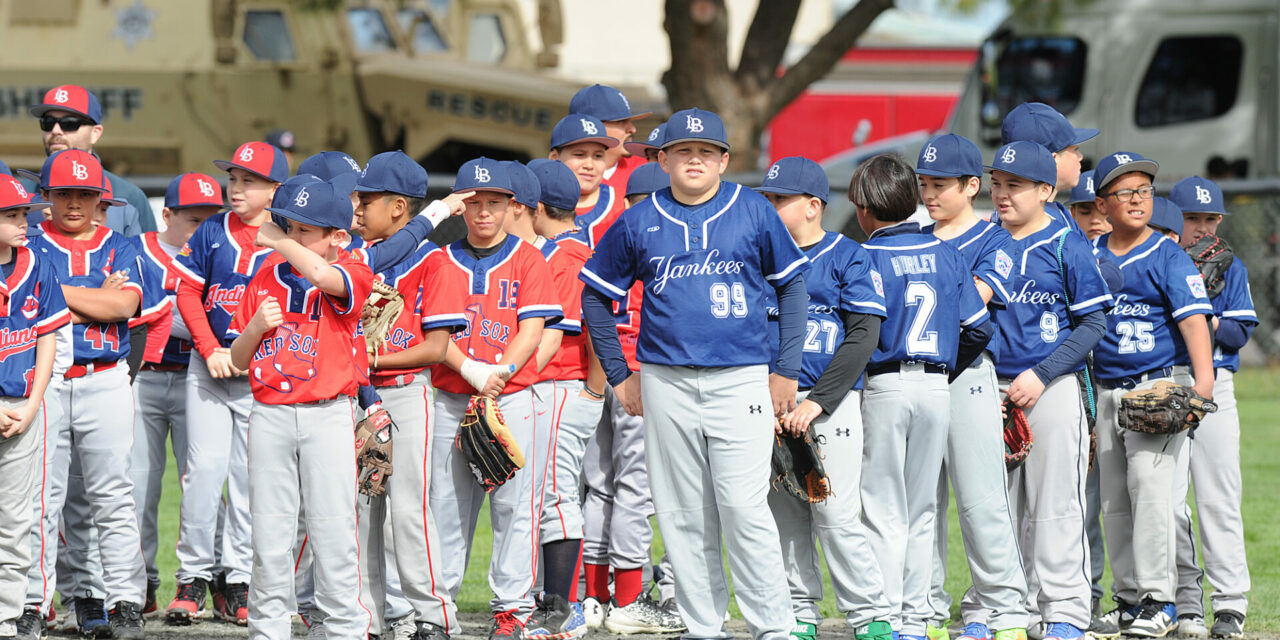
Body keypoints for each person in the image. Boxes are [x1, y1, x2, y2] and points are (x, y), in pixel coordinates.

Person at [579, 108, 807, 640]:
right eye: (683, 151)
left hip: (742, 375)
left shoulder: (752, 210)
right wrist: (619, 373)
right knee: (683, 513)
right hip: (665, 378)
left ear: (725, 159)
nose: (695, 159)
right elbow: (595, 296)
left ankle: (773, 627)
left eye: (706, 151)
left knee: (744, 508)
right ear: (663, 158)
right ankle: (705, 628)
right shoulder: (639, 220)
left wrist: (786, 369)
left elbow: (793, 288)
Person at [849, 153, 992, 640]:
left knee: (883, 506)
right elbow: (978, 328)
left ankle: (885, 616)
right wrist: (945, 369)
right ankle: (915, 619)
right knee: (923, 507)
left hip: (885, 383)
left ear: (865, 209)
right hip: (936, 385)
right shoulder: (948, 254)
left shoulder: (863, 256)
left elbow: (858, 334)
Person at [226, 173, 374, 640]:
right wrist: (253, 328)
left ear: (338, 236)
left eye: (306, 229)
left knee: (334, 533)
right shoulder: (264, 276)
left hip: (328, 414)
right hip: (269, 413)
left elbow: (319, 274)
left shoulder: (353, 268)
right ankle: (268, 631)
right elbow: (236, 358)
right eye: (289, 226)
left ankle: (344, 630)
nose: (293, 236)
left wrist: (275, 239)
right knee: (269, 537)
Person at [25, 149, 165, 640]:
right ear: (45, 197)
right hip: (45, 380)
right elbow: (28, 305)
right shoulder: (31, 244)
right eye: (64, 192)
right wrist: (92, 298)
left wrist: (55, 294)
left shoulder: (119, 244)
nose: (75, 202)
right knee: (43, 499)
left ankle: (125, 600)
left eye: (85, 193)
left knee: (113, 495)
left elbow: (123, 305)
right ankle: (35, 603)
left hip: (105, 376)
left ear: (99, 196)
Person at [426, 157, 562, 639]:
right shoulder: (441, 260)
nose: (484, 211)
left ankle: (512, 609)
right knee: (446, 506)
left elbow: (534, 329)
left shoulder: (529, 258)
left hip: (513, 397)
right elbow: (438, 333)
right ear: (460, 206)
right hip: (450, 397)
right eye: (475, 202)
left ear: (510, 207)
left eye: (495, 203)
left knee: (515, 506)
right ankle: (438, 610)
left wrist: (499, 373)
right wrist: (472, 370)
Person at [757, 156, 893, 640]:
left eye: (781, 200)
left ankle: (871, 612)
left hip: (827, 401)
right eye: (767, 198)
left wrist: (819, 402)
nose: (770, 207)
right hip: (769, 404)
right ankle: (798, 611)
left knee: (834, 510)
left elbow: (863, 336)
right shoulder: (759, 259)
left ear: (814, 206)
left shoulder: (846, 254)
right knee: (786, 514)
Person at [987, 141, 1112, 640]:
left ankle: (1064, 612)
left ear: (1044, 191)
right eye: (996, 184)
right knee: (994, 506)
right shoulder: (982, 240)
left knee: (1057, 503)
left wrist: (1042, 373)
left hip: (1050, 383)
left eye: (1014, 186)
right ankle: (1004, 610)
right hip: (988, 388)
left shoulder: (1066, 244)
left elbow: (1093, 323)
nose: (1002, 194)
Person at [1090, 152, 1215, 639]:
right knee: (1116, 502)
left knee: (1152, 493)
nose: (1138, 199)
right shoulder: (1092, 252)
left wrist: (1200, 385)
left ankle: (1159, 600)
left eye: (1145, 190)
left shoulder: (1167, 253)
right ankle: (1127, 600)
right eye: (1124, 191)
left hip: (1156, 386)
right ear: (1102, 203)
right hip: (1106, 390)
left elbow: (1193, 321)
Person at [168, 141, 289, 625]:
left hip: (261, 374)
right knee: (203, 471)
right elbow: (188, 292)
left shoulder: (287, 237)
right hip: (211, 369)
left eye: (249, 181)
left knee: (246, 479)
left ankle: (238, 579)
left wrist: (255, 358)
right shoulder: (213, 229)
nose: (236, 188)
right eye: (234, 178)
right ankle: (193, 577)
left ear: (275, 189)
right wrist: (209, 349)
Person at [349, 151, 468, 640]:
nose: (356, 206)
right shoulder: (351, 257)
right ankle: (369, 620)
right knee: (360, 513)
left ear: (399, 207)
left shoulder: (433, 260)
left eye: (368, 198)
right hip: (354, 399)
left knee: (408, 512)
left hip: (404, 396)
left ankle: (435, 617)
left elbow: (437, 348)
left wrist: (369, 361)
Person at [914, 134, 1029, 640]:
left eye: (941, 185)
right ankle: (922, 609)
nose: (929, 195)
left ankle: (1004, 611)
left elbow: (971, 306)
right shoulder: (912, 234)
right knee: (918, 500)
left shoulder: (994, 239)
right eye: (922, 184)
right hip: (914, 376)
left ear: (971, 186)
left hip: (968, 374)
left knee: (982, 499)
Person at [577, 160, 684, 631]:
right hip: (638, 377)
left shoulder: (608, 243)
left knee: (599, 485)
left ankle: (594, 596)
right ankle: (630, 599)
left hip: (598, 372)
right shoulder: (667, 250)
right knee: (636, 489)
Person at [128, 173, 224, 617]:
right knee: (137, 485)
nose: (204, 227)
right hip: (143, 378)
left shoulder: (218, 253)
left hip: (197, 375)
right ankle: (140, 582)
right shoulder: (140, 251)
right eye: (193, 219)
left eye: (211, 218)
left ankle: (217, 577)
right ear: (166, 215)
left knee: (205, 480)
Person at [1168, 177, 1254, 640]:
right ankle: (1185, 604)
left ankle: (1230, 605)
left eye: (1210, 219)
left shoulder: (1232, 266)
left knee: (1218, 497)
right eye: (1191, 218)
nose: (1201, 228)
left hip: (1216, 385)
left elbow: (1239, 334)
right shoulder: (1158, 260)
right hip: (1166, 385)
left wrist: (1201, 310)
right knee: (1168, 501)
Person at [0, 174, 68, 640]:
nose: (25, 222)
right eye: (11, 215)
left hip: (23, 407)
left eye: (24, 213)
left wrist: (34, 402)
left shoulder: (37, 264)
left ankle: (5, 616)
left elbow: (47, 338)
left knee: (15, 520)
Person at [27, 85, 154, 233]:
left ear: (95, 133)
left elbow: (146, 253)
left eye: (69, 123)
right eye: (48, 122)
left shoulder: (128, 195)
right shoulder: (19, 191)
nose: (56, 130)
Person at [547, 114, 623, 248]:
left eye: (598, 156)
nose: (589, 165)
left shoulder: (622, 205)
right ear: (554, 158)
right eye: (579, 155)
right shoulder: (537, 204)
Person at [568, 84, 650, 196]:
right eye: (621, 122)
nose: (633, 129)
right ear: (591, 126)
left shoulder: (646, 170)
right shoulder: (561, 175)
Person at [1067, 171, 1109, 241]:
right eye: (1085, 212)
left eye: (1103, 211)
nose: (1095, 220)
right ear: (1073, 213)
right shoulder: (1060, 249)